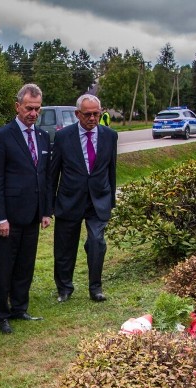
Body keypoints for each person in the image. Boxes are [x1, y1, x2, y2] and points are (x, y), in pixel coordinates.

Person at [0, 83, 51, 335]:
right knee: (5, 267)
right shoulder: (2, 136)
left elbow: (44, 177)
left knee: (26, 264)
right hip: (9, 217)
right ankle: (1, 314)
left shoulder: (43, 137)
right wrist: (0, 217)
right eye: (28, 108)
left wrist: (45, 211)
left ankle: (20, 307)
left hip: (33, 214)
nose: (33, 113)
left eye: (37, 109)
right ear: (17, 106)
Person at [49, 94, 118, 303]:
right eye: (87, 114)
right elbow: (54, 172)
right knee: (65, 246)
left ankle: (95, 287)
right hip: (69, 198)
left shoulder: (110, 136)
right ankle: (64, 288)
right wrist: (49, 204)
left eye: (96, 114)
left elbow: (111, 170)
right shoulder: (63, 137)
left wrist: (111, 200)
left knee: (97, 242)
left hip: (98, 199)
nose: (92, 118)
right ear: (77, 114)